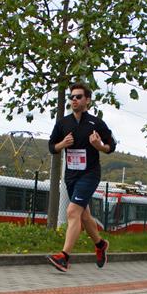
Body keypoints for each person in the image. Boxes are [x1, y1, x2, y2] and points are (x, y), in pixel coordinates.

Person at [46, 82, 116, 272]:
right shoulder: (63, 123)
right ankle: (100, 244)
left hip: (89, 174)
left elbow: (111, 145)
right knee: (83, 216)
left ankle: (64, 257)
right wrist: (62, 144)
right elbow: (52, 147)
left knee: (72, 212)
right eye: (72, 97)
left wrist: (100, 146)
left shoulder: (96, 123)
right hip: (71, 176)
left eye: (78, 97)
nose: (74, 100)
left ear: (87, 100)